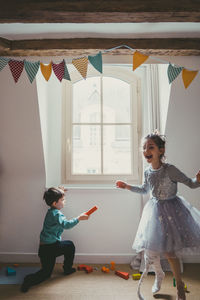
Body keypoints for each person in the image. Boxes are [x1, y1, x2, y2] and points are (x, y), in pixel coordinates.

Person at [116, 132, 200, 300]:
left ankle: (179, 287)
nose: (146, 150)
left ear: (161, 150)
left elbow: (190, 184)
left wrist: (198, 180)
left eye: (151, 147)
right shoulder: (148, 172)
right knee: (151, 251)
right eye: (144, 147)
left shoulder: (170, 169)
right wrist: (127, 186)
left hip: (172, 212)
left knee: (169, 253)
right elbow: (145, 189)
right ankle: (159, 275)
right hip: (154, 213)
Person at [21, 186, 89, 293]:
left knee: (67, 247)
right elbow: (66, 225)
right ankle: (29, 280)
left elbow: (55, 197)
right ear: (54, 203)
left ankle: (66, 269)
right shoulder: (56, 214)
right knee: (46, 273)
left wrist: (61, 192)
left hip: (45, 248)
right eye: (62, 200)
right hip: (50, 249)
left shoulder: (51, 211)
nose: (64, 202)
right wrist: (79, 218)